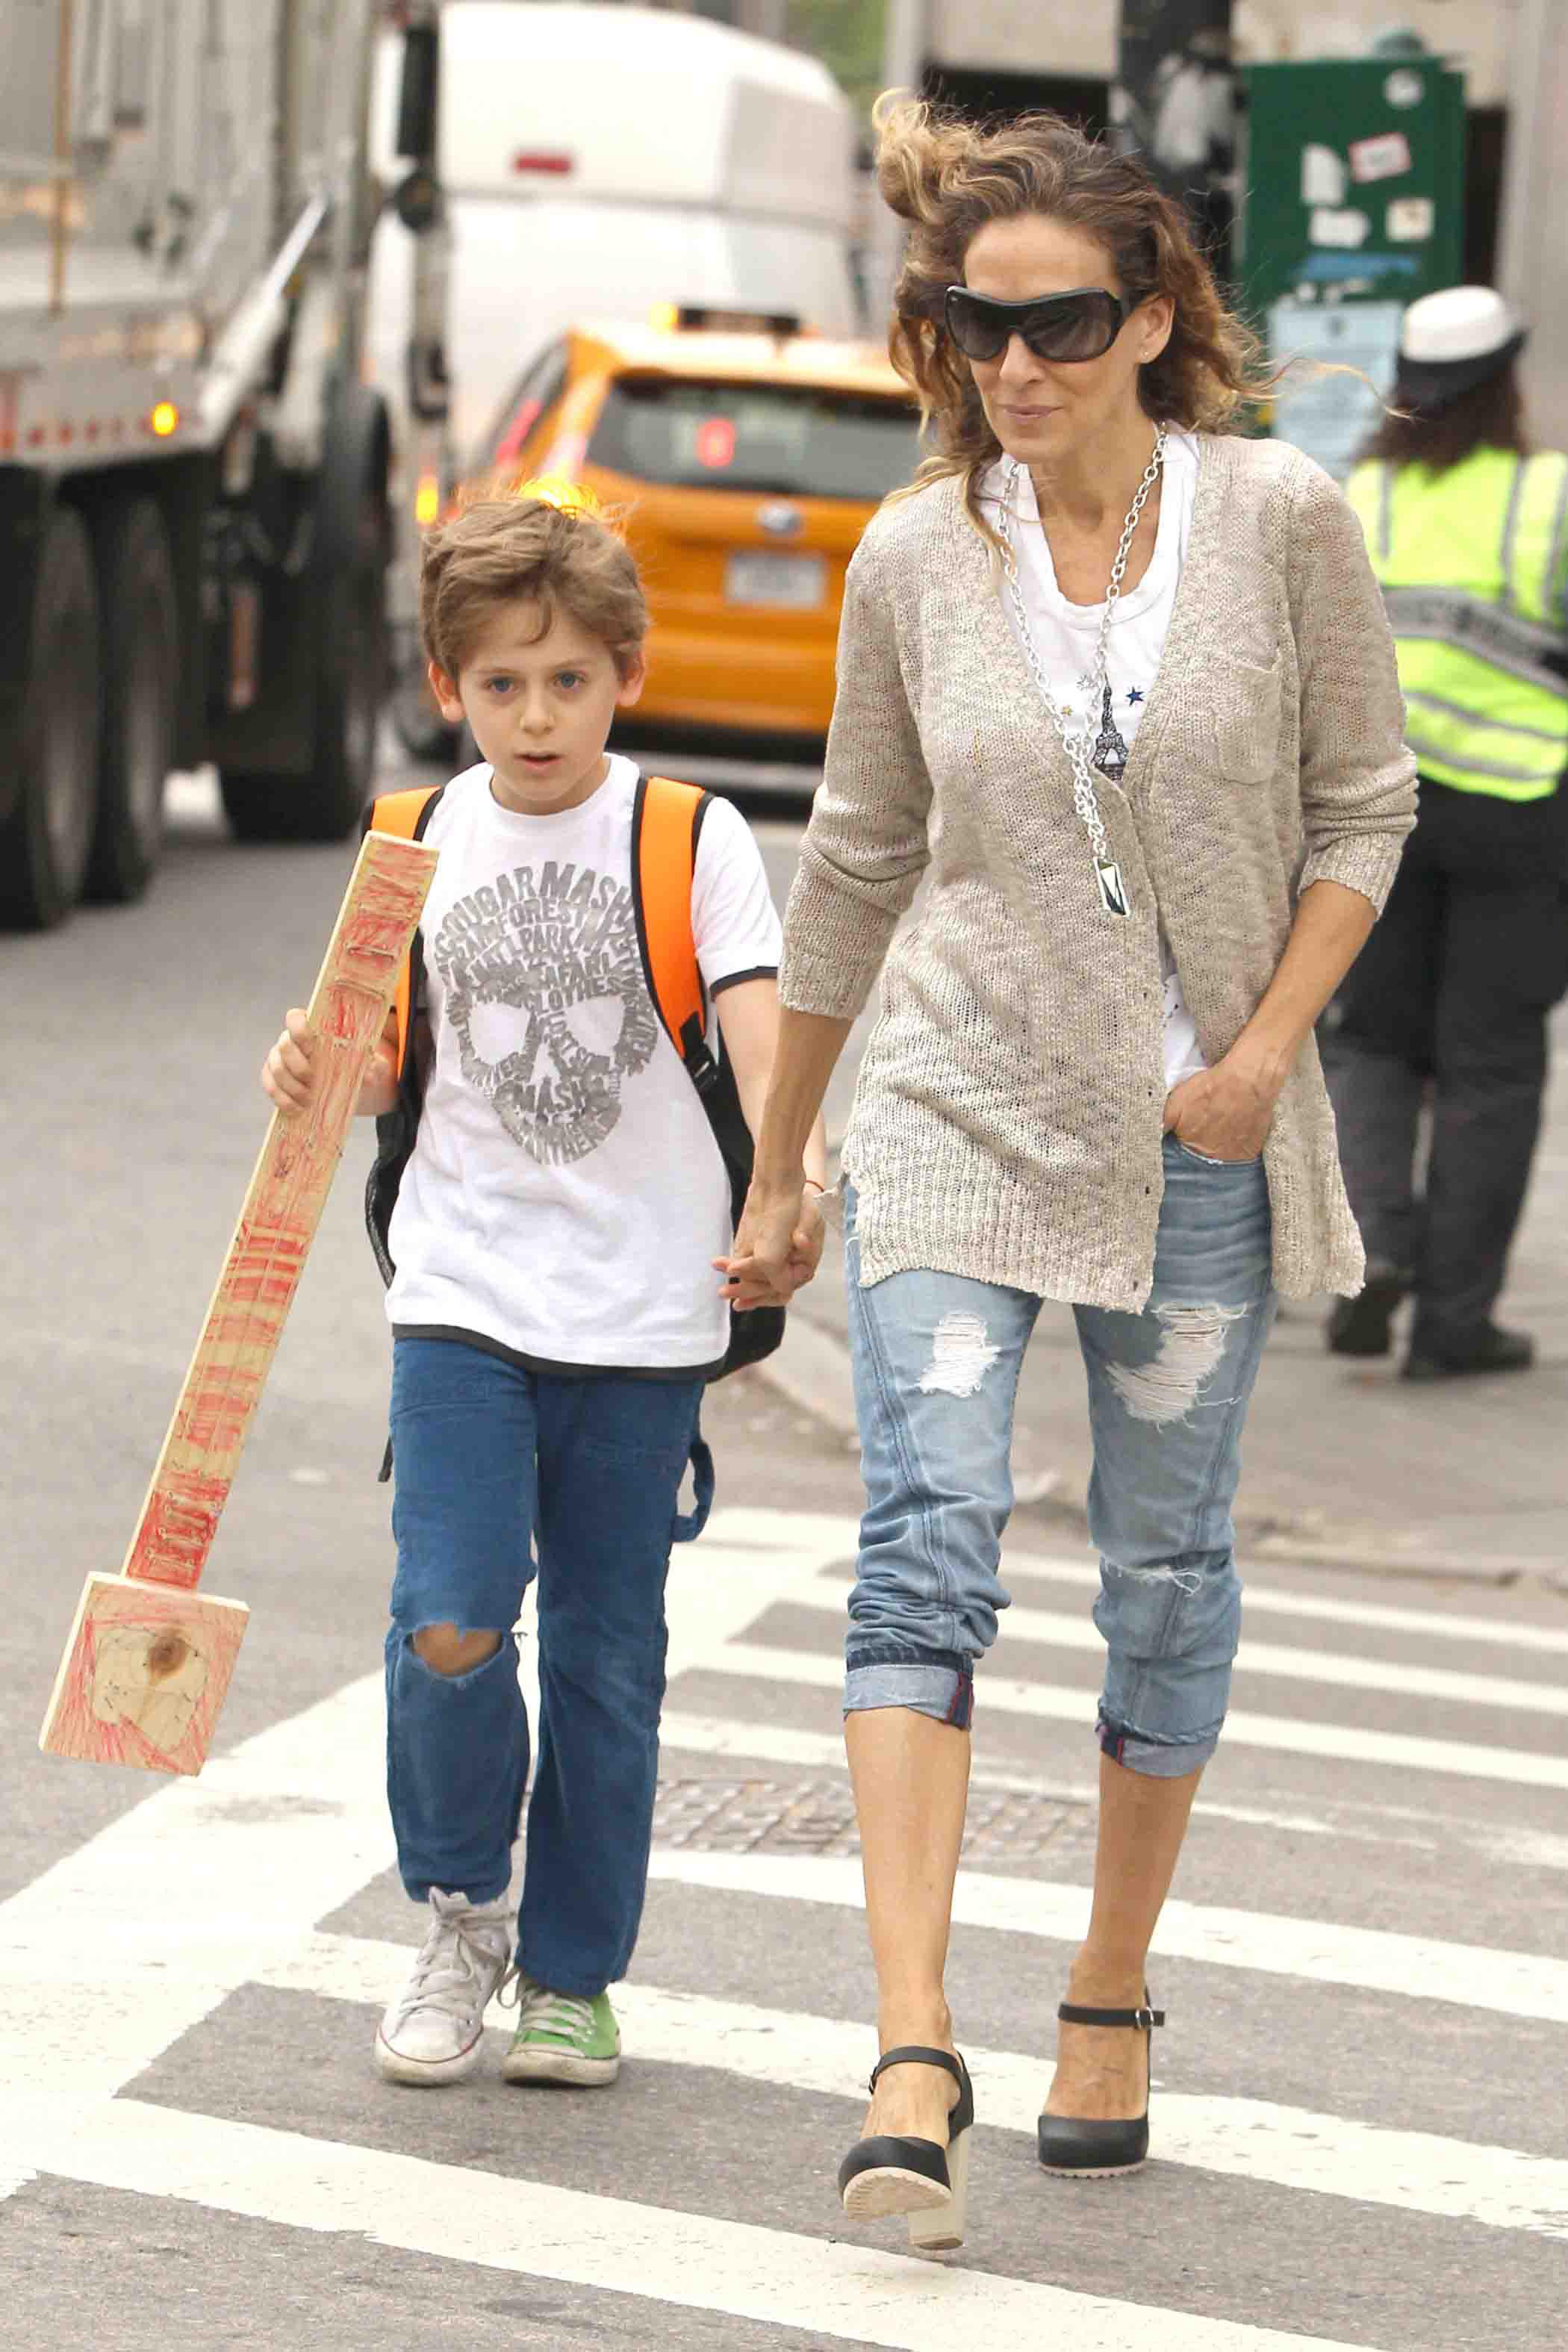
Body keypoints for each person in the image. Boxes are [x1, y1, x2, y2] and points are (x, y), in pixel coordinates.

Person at [721, 97, 1415, 2249]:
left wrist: (1264, 1047)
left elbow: (1361, 810)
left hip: (1192, 1117)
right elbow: (850, 862)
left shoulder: (1282, 515)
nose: (1008, 368)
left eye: (1056, 324)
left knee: (1164, 1565)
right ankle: (910, 2037)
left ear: (1150, 319)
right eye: (966, 327)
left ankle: (1105, 1984)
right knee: (921, 1530)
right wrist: (781, 1158)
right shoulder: (916, 554)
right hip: (953, 1093)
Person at [262, 490, 827, 2093]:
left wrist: (786, 1182)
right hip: (462, 1292)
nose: (534, 716)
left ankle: (575, 1975)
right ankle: (460, 1914)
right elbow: (362, 1066)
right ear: (451, 686)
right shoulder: (412, 842)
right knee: (448, 1621)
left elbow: (761, 1026)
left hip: (647, 1311)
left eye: (567, 680)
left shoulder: (689, 837)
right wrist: (303, 1059)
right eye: (501, 684)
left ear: (623, 677)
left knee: (603, 1657)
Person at [1324, 285, 1568, 1378]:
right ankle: (1453, 1325)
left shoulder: (1356, 495)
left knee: (1369, 1039)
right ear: (1506, 380)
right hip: (1521, 810)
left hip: (1377, 811)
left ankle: (1373, 1247)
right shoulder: (1549, 500)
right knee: (1491, 1069)